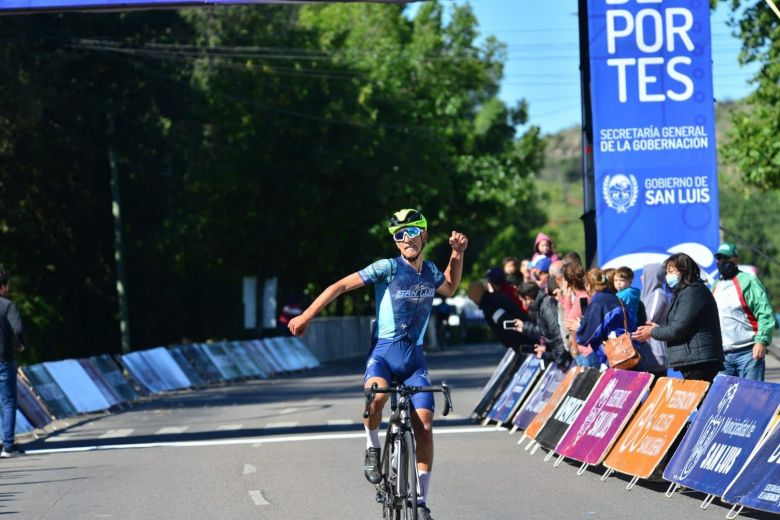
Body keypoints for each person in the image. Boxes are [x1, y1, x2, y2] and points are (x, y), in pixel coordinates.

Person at [288, 209, 467, 520]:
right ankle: (372, 448)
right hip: (383, 356)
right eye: (399, 235)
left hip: (414, 360)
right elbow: (340, 287)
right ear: (395, 243)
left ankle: (421, 501)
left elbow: (450, 288)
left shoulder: (431, 272)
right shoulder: (387, 267)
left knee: (424, 426)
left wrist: (457, 253)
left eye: (412, 232)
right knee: (378, 398)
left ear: (424, 235)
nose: (406, 239)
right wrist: (307, 316)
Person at [632, 253, 724, 382]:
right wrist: (659, 329)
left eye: (671, 272)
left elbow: (677, 329)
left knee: (697, 399)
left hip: (699, 361)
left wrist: (653, 331)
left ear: (683, 271)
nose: (667, 276)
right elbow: (679, 324)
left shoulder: (693, 292)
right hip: (693, 359)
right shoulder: (685, 292)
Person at [711, 242, 774, 381]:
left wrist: (762, 341)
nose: (723, 261)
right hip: (723, 356)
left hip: (748, 353)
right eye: (720, 258)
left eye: (727, 258)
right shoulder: (715, 286)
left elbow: (765, 313)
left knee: (751, 398)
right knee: (723, 399)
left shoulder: (748, 281)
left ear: (736, 259)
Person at [575, 268, 629, 368]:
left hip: (614, 357)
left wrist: (578, 326)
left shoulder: (598, 303)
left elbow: (584, 336)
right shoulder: (614, 297)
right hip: (627, 350)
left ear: (588, 285)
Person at [466, 280, 535, 353]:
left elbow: (507, 322)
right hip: (525, 336)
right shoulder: (494, 298)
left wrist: (515, 342)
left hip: (523, 341)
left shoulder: (490, 306)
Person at [0, 272, 26, 457]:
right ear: (3, 286)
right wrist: (21, 343)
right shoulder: (7, 305)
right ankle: (8, 445)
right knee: (8, 401)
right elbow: (18, 328)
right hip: (3, 359)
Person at [636, 263, 669, 376]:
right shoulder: (645, 295)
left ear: (652, 276)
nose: (641, 277)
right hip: (647, 352)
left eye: (644, 274)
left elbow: (649, 318)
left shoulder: (658, 294)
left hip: (655, 354)